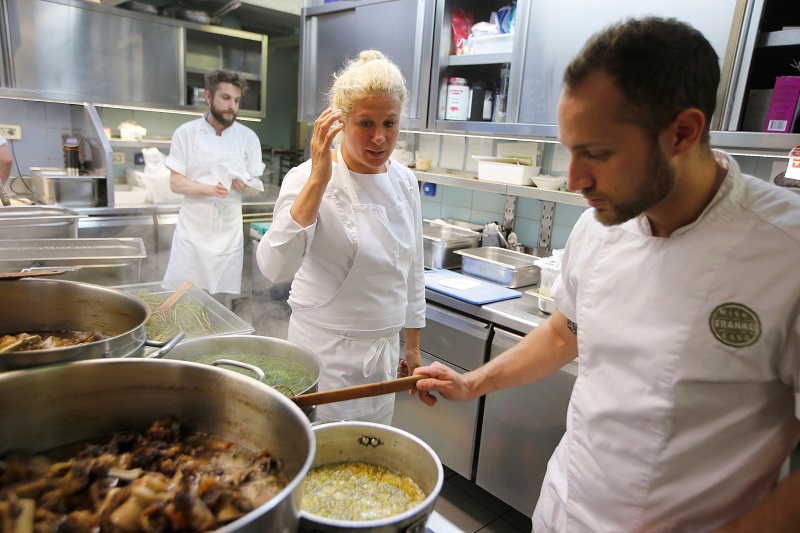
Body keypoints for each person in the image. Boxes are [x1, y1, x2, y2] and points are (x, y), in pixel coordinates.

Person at [413, 17, 800, 532]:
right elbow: (564, 331)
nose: (574, 180)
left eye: (596, 153)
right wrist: (472, 383)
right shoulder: (603, 223)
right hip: (566, 508)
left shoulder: (784, 252)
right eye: (571, 150)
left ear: (683, 132)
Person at [256, 50, 425, 425]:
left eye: (390, 123)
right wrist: (319, 178)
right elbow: (274, 265)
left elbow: (413, 270)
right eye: (366, 123)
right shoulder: (305, 178)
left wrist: (411, 347)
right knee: (318, 462)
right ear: (339, 122)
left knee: (369, 459)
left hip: (381, 361)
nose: (380, 137)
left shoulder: (405, 182)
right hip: (322, 358)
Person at [162, 69, 265, 299]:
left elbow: (255, 185)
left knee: (218, 304)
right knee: (183, 298)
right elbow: (176, 183)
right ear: (209, 97)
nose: (232, 106)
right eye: (226, 98)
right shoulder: (186, 133)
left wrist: (245, 187)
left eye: (237, 100)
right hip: (191, 234)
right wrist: (211, 189)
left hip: (227, 236)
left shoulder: (248, 138)